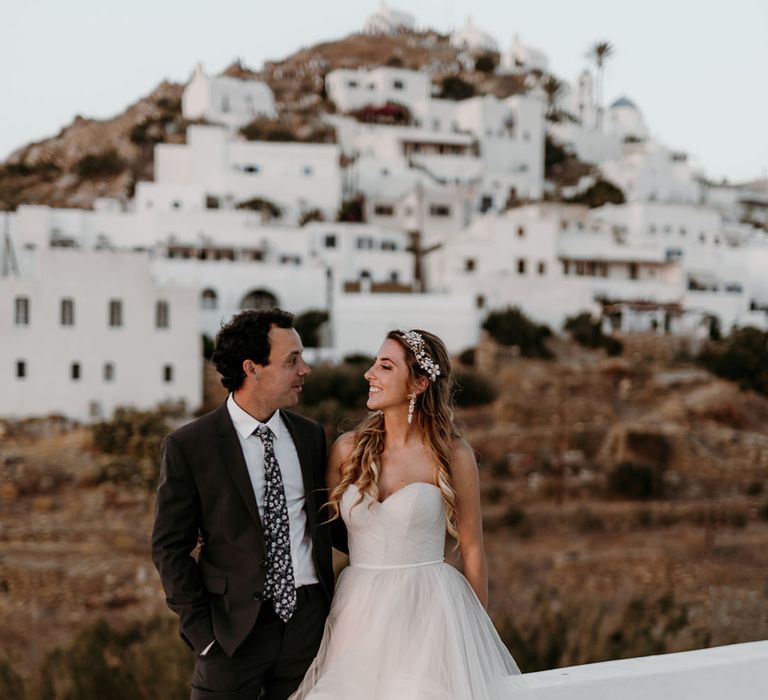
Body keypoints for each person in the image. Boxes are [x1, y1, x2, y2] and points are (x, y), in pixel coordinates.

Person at [289, 329, 534, 700]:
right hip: (358, 611)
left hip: (431, 611)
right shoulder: (346, 451)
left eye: (385, 366)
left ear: (419, 383)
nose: (369, 373)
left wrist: (471, 635)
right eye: (374, 363)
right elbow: (325, 535)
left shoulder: (453, 455)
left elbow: (472, 550)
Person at [151, 308, 343, 700]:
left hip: (309, 624)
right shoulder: (190, 446)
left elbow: (331, 522)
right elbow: (169, 547)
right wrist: (202, 634)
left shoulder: (310, 437)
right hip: (231, 631)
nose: (305, 369)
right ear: (251, 368)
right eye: (292, 360)